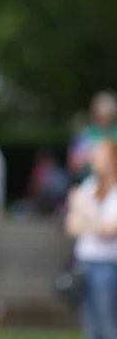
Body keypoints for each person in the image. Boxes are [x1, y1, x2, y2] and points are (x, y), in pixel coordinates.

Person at [65, 139, 117, 339]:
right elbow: (72, 227)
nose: (93, 160)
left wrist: (86, 210)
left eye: (99, 156)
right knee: (91, 327)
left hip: (108, 265)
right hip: (84, 262)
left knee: (108, 325)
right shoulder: (89, 186)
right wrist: (93, 221)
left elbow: (108, 231)